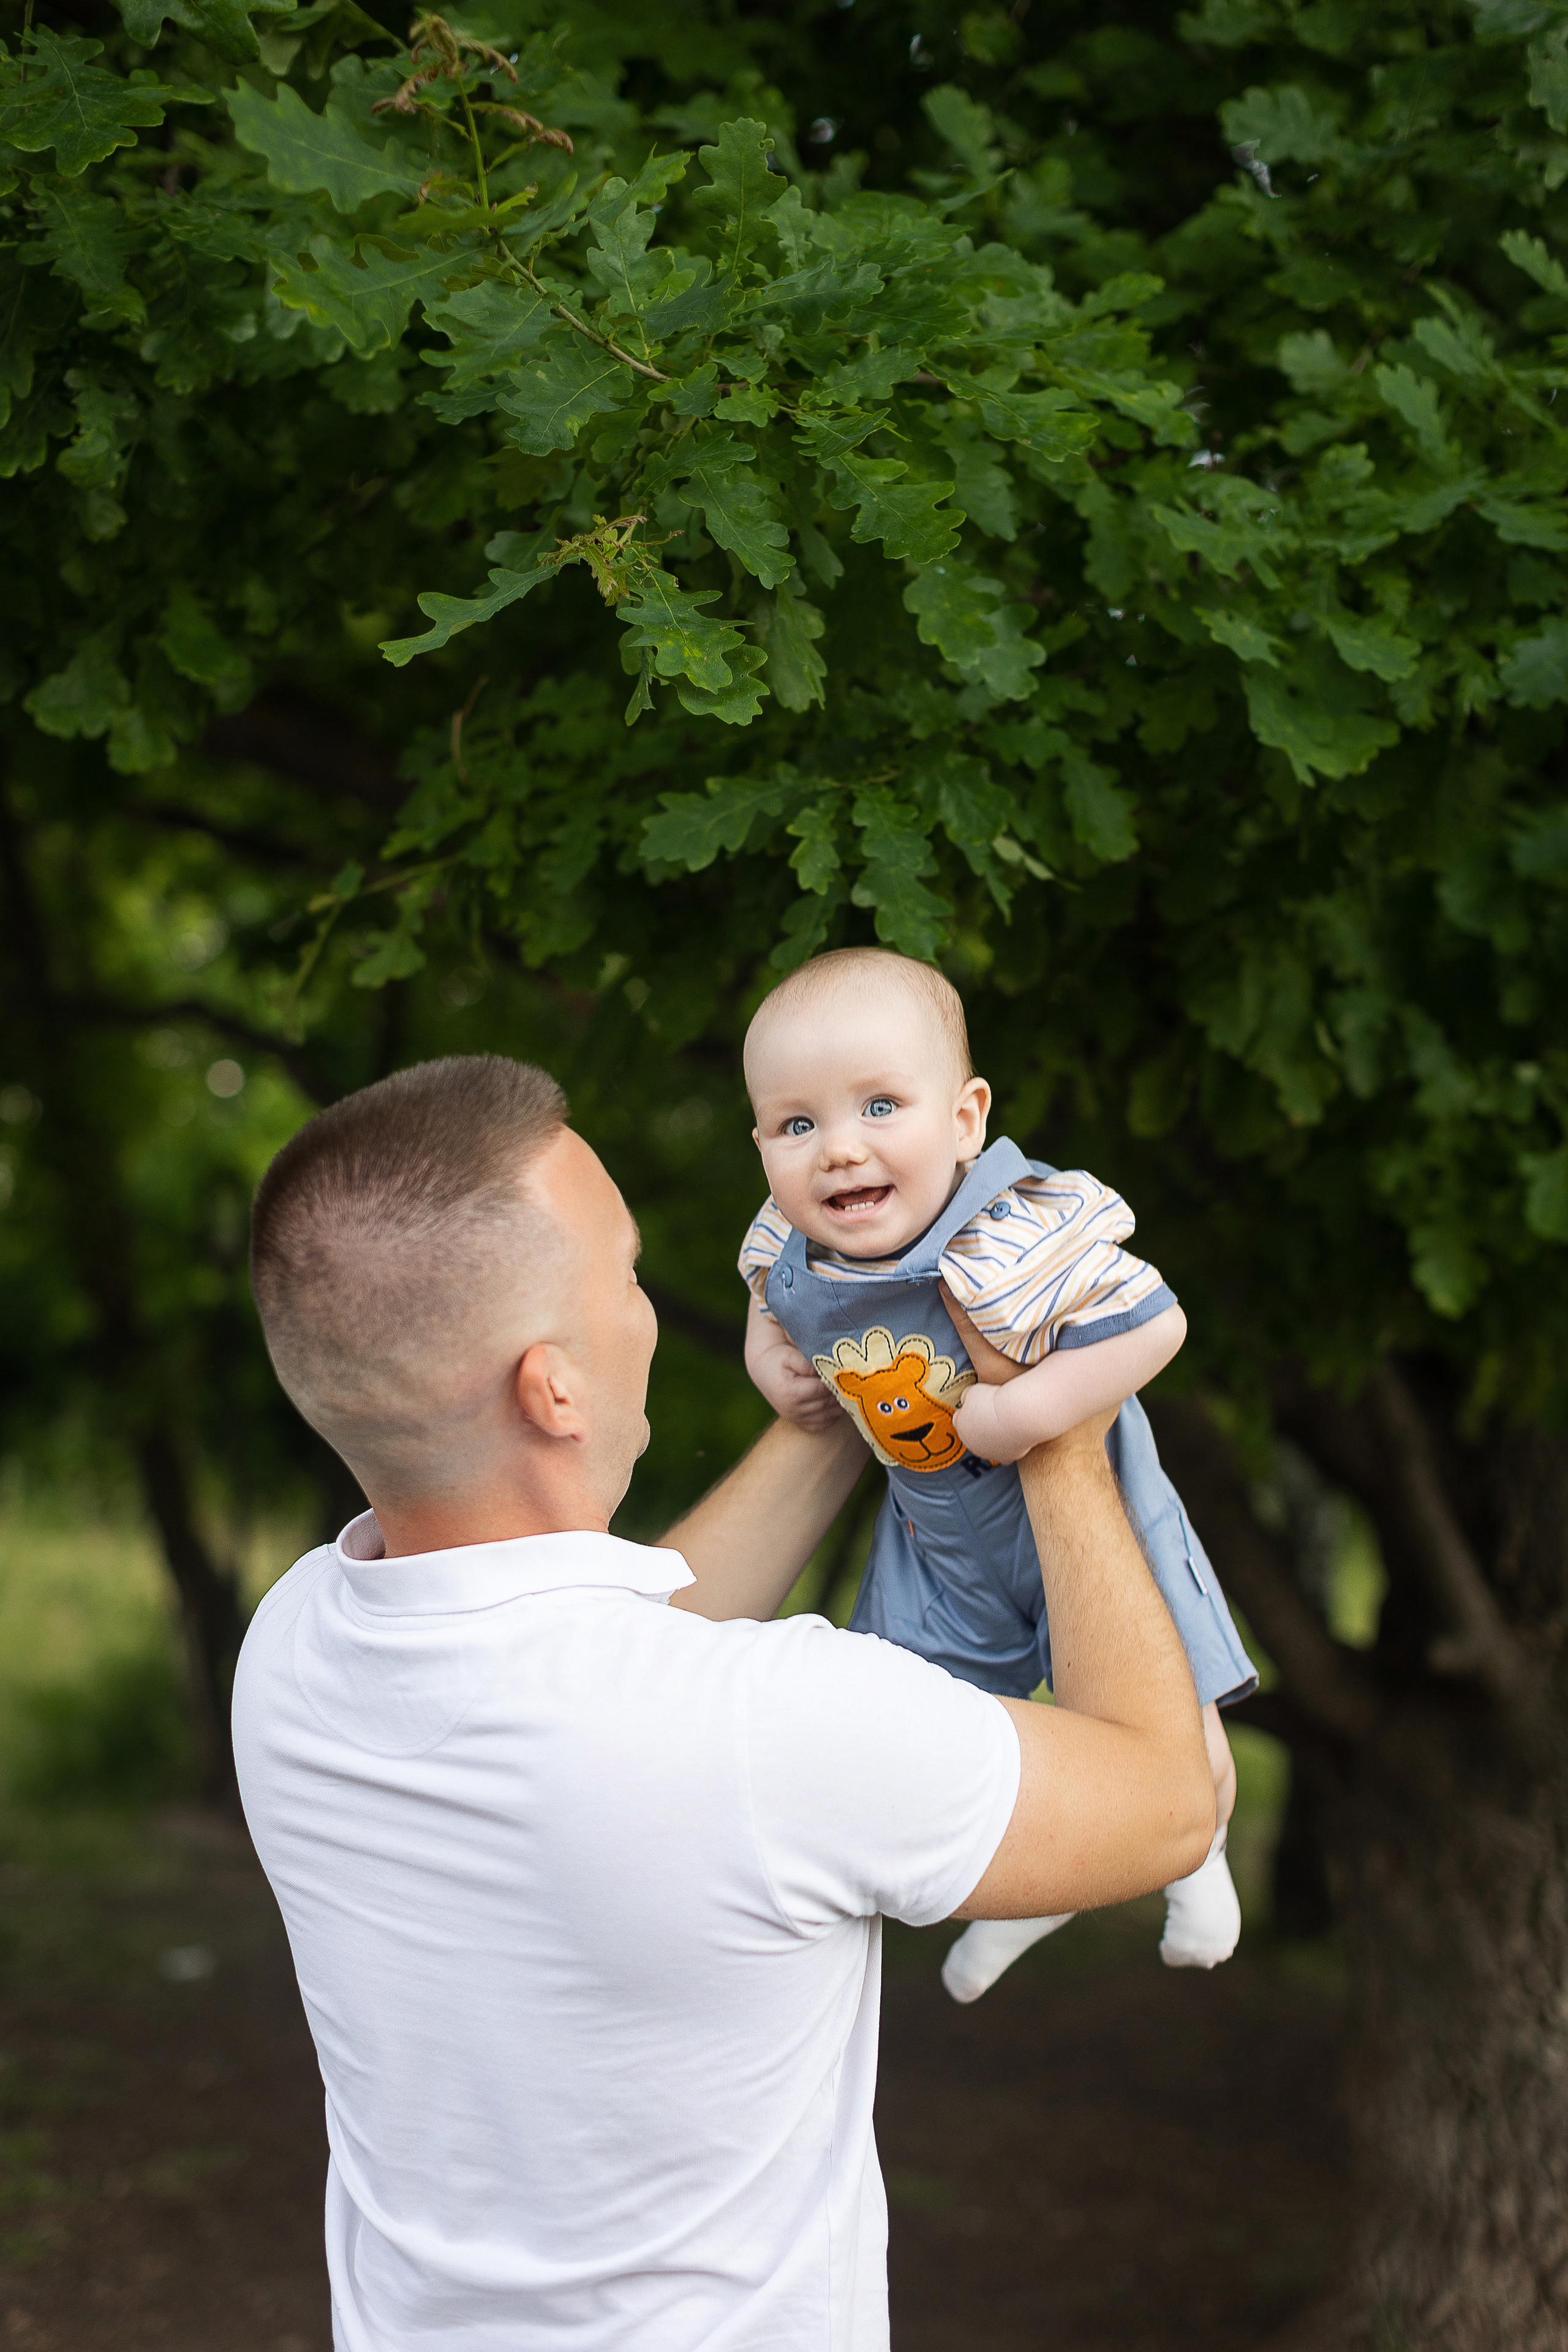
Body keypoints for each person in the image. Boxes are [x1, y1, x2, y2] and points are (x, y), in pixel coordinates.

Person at [237, 1052, 1215, 2352]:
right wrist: (1056, 1430)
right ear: (553, 1387)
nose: (647, 1314)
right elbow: (1164, 1804)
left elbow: (621, 1659)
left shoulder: (295, 1650)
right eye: (628, 1279)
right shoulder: (771, 1733)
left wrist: (854, 1378)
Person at [738, 947, 1255, 2000]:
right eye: (797, 1125)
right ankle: (1029, 1894)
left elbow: (1155, 1324)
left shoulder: (1010, 1229)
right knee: (909, 1732)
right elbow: (765, 1292)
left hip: (1091, 1522)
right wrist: (766, 1360)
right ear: (763, 1145)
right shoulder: (790, 1239)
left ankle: (1198, 1857)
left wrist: (1029, 1411)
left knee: (1177, 1724)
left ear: (966, 1118)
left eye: (881, 1106)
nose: (839, 1149)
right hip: (934, 1542)